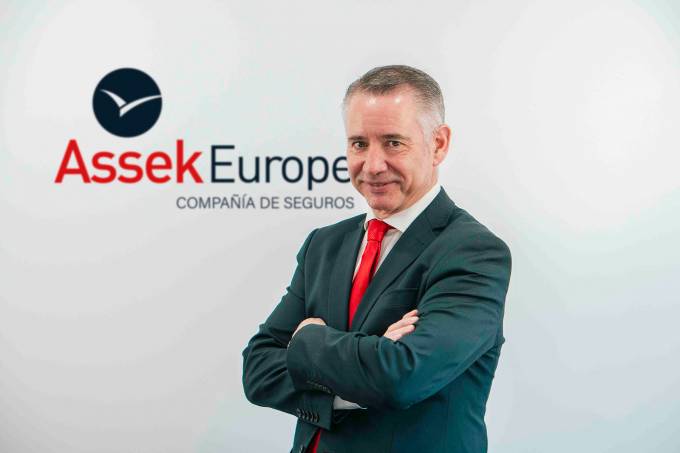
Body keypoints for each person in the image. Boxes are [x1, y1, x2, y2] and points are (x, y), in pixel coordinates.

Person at [241, 64, 512, 453]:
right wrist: (368, 366)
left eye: (393, 143)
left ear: (438, 144)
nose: (372, 165)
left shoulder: (474, 252)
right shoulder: (324, 244)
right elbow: (258, 369)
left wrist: (308, 340)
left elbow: (402, 378)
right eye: (358, 144)